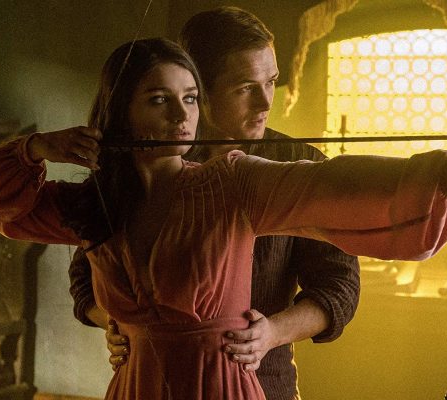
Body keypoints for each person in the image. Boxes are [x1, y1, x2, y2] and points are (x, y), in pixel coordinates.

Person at [0, 37, 447, 400]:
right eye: (158, 100)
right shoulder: (97, 202)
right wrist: (35, 147)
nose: (181, 116)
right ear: (120, 111)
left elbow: (331, 184)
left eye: (190, 99)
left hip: (221, 386)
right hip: (134, 388)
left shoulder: (231, 182)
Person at [71, 7, 363, 399]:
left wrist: (272, 332)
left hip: (264, 383)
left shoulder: (299, 163)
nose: (265, 102)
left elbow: (339, 285)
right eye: (245, 88)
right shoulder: (149, 163)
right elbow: (84, 278)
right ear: (200, 88)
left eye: (271, 82)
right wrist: (120, 321)